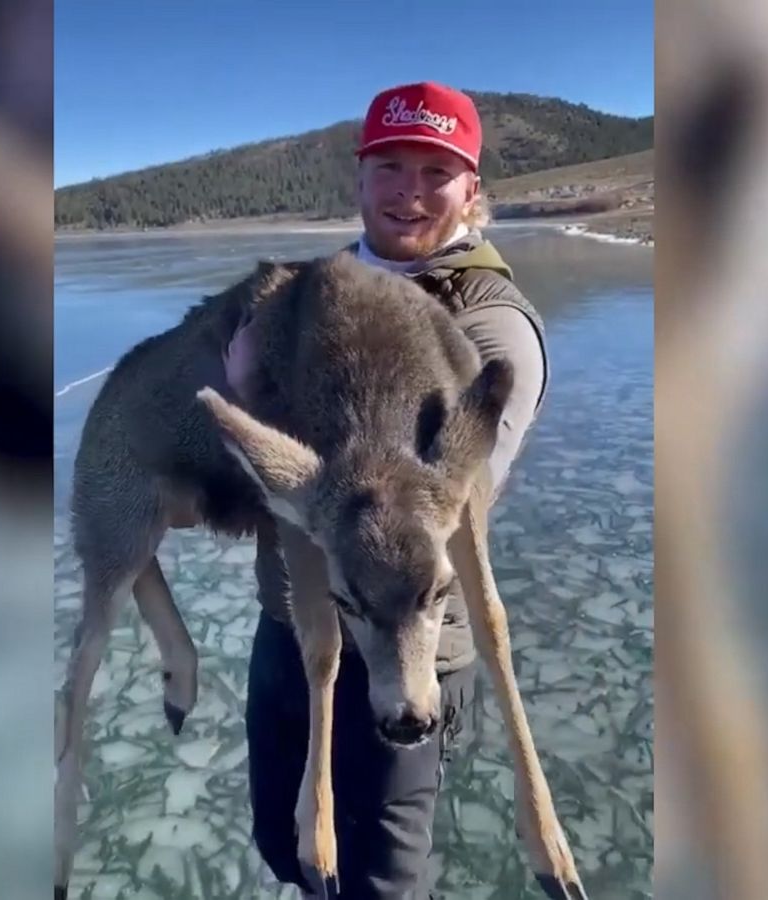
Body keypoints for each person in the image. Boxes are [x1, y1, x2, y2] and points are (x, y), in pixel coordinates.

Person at [227, 81, 550, 899]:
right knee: (284, 842)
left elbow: (446, 501)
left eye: (436, 172)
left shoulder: (491, 323)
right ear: (360, 178)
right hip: (289, 626)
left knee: (377, 882)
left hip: (404, 649)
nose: (410, 191)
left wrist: (250, 404)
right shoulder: (308, 293)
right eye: (391, 167)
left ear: (471, 189)